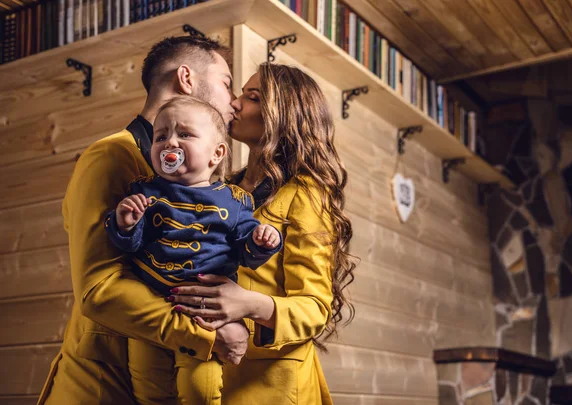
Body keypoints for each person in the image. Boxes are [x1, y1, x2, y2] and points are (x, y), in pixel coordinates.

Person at [37, 36, 250, 405]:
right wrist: (210, 336)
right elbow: (99, 290)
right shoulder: (110, 156)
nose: (233, 101)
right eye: (226, 83)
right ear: (186, 78)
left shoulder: (190, 179)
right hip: (99, 388)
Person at [170, 63, 357, 405]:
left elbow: (315, 308)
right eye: (240, 93)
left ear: (283, 116)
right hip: (213, 377)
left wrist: (247, 303)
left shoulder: (306, 193)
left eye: (252, 97)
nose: (236, 104)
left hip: (277, 387)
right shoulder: (221, 190)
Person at [104, 96, 282, 405]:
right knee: (148, 389)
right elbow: (127, 246)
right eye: (161, 136)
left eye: (184, 134)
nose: (170, 142)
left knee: (201, 390)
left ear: (216, 154)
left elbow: (246, 254)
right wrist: (126, 223)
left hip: (207, 317)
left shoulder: (235, 201)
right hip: (152, 310)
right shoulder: (144, 191)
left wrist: (262, 240)